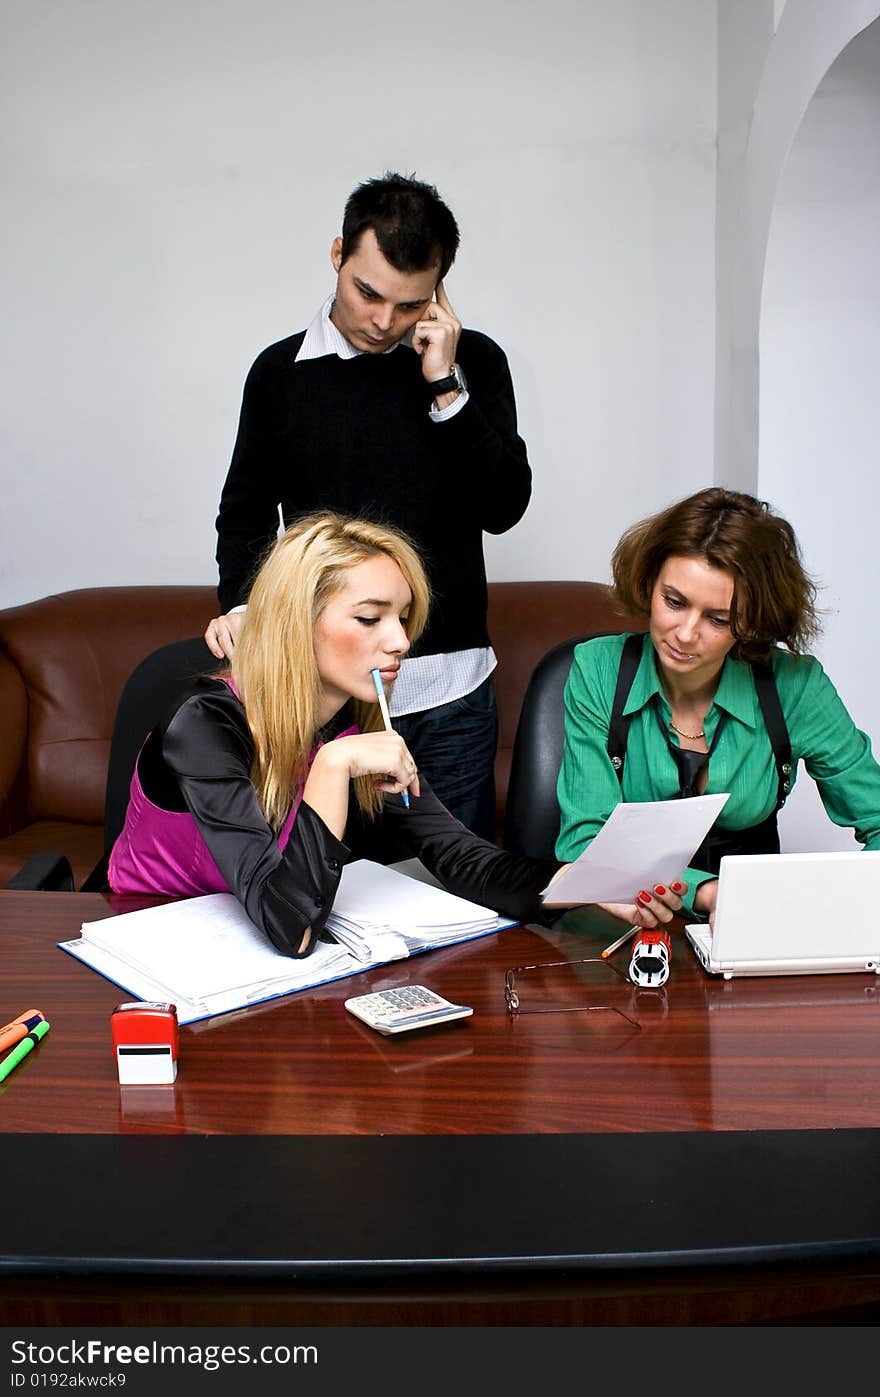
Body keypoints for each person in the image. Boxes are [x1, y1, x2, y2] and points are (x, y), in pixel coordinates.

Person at [204, 172, 532, 841]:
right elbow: (244, 511)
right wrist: (242, 608)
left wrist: (444, 382)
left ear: (439, 293)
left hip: (450, 695)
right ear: (337, 255)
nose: (384, 321)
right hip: (324, 688)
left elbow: (504, 506)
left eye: (410, 305)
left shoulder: (474, 363)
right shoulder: (278, 373)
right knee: (326, 888)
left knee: (456, 901)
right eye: (368, 293)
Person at [110, 514, 557, 957]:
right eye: (369, 618)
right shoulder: (206, 722)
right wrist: (331, 764)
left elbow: (460, 856)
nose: (401, 641)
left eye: (402, 618)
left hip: (256, 957)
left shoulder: (355, 723)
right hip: (147, 942)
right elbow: (292, 931)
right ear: (295, 623)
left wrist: (587, 884)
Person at [556, 487, 880, 928]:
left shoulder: (797, 685)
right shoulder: (598, 669)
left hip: (756, 925)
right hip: (620, 925)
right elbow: (584, 844)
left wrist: (836, 903)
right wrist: (709, 893)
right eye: (674, 601)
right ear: (649, 582)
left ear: (754, 621)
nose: (686, 634)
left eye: (719, 619)